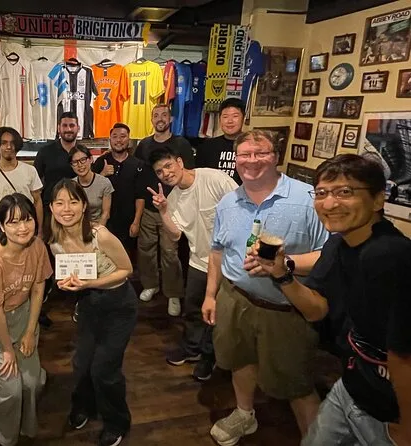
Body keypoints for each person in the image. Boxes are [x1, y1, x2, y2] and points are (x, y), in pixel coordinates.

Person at [253, 154, 411, 446]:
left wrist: (407, 429)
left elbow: (403, 355)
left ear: (378, 200)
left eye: (345, 192)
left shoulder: (389, 255)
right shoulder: (338, 244)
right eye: (322, 193)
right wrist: (281, 273)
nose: (329, 204)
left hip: (390, 411)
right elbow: (316, 310)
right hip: (352, 386)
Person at [202, 130, 329, 445]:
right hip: (234, 298)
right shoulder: (228, 202)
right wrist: (210, 295)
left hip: (285, 308)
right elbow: (217, 251)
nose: (252, 160)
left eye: (261, 153)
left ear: (276, 157)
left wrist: (285, 265)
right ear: (236, 159)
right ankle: (245, 414)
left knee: (296, 383)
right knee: (239, 360)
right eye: (245, 154)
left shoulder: (307, 199)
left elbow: (329, 255)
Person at [50, 179, 137, 446]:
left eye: (73, 202)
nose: (66, 209)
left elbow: (126, 270)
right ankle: (84, 406)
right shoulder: (56, 242)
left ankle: (117, 421)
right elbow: (68, 276)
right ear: (51, 208)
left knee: (104, 369)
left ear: (84, 205)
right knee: (82, 363)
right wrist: (65, 283)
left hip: (119, 304)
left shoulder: (101, 235)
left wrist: (90, 283)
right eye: (59, 203)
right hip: (89, 304)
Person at [0, 193, 52, 446]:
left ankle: (27, 427)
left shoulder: (37, 246)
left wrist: (29, 331)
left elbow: (38, 288)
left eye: (27, 219)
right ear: (1, 227)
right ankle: (4, 436)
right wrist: (7, 350)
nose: (22, 227)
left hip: (23, 315)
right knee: (10, 391)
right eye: (13, 222)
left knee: (32, 384)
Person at [147, 146, 237, 380]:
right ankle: (193, 348)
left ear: (179, 161)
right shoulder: (173, 198)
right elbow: (176, 234)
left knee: (219, 313)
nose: (166, 173)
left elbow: (241, 207)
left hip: (230, 262)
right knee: (194, 308)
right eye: (159, 172)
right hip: (199, 261)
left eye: (168, 166)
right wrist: (163, 211)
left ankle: (210, 356)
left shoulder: (214, 179)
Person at [135, 103, 194, 316]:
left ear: (170, 119)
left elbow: (190, 174)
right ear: (151, 120)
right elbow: (139, 174)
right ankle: (150, 284)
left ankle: (173, 293)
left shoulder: (181, 144)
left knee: (170, 252)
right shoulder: (144, 144)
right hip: (149, 208)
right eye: (156, 115)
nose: (160, 118)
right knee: (146, 249)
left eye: (164, 115)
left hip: (173, 209)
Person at [0, 127, 43, 245]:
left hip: (26, 231)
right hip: (1, 235)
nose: (9, 147)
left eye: (12, 143)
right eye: (4, 143)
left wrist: (39, 232)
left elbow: (38, 202)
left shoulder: (30, 170)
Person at [92, 123, 144, 254]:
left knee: (129, 256)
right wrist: (102, 174)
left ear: (129, 139)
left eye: (122, 136)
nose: (118, 140)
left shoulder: (137, 164)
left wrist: (136, 222)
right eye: (115, 136)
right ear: (110, 139)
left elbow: (140, 196)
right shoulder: (101, 161)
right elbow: (90, 188)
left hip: (129, 222)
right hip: (105, 221)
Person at [34, 112, 82, 234]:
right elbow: (35, 182)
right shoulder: (45, 152)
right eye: (65, 125)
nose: (68, 129)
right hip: (50, 210)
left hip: (76, 210)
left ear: (78, 128)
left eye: (72, 125)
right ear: (58, 128)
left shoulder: (83, 153)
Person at [194, 98, 244, 184]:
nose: (230, 121)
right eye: (225, 117)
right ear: (220, 120)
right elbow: (199, 177)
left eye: (235, 116)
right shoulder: (207, 146)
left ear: (243, 118)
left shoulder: (251, 146)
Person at [69, 146, 114, 226]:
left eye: (83, 160)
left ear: (91, 159)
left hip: (97, 227)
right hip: (75, 226)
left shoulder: (104, 183)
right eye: (75, 162)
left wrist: (97, 231)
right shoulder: (70, 185)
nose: (80, 165)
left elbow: (106, 214)